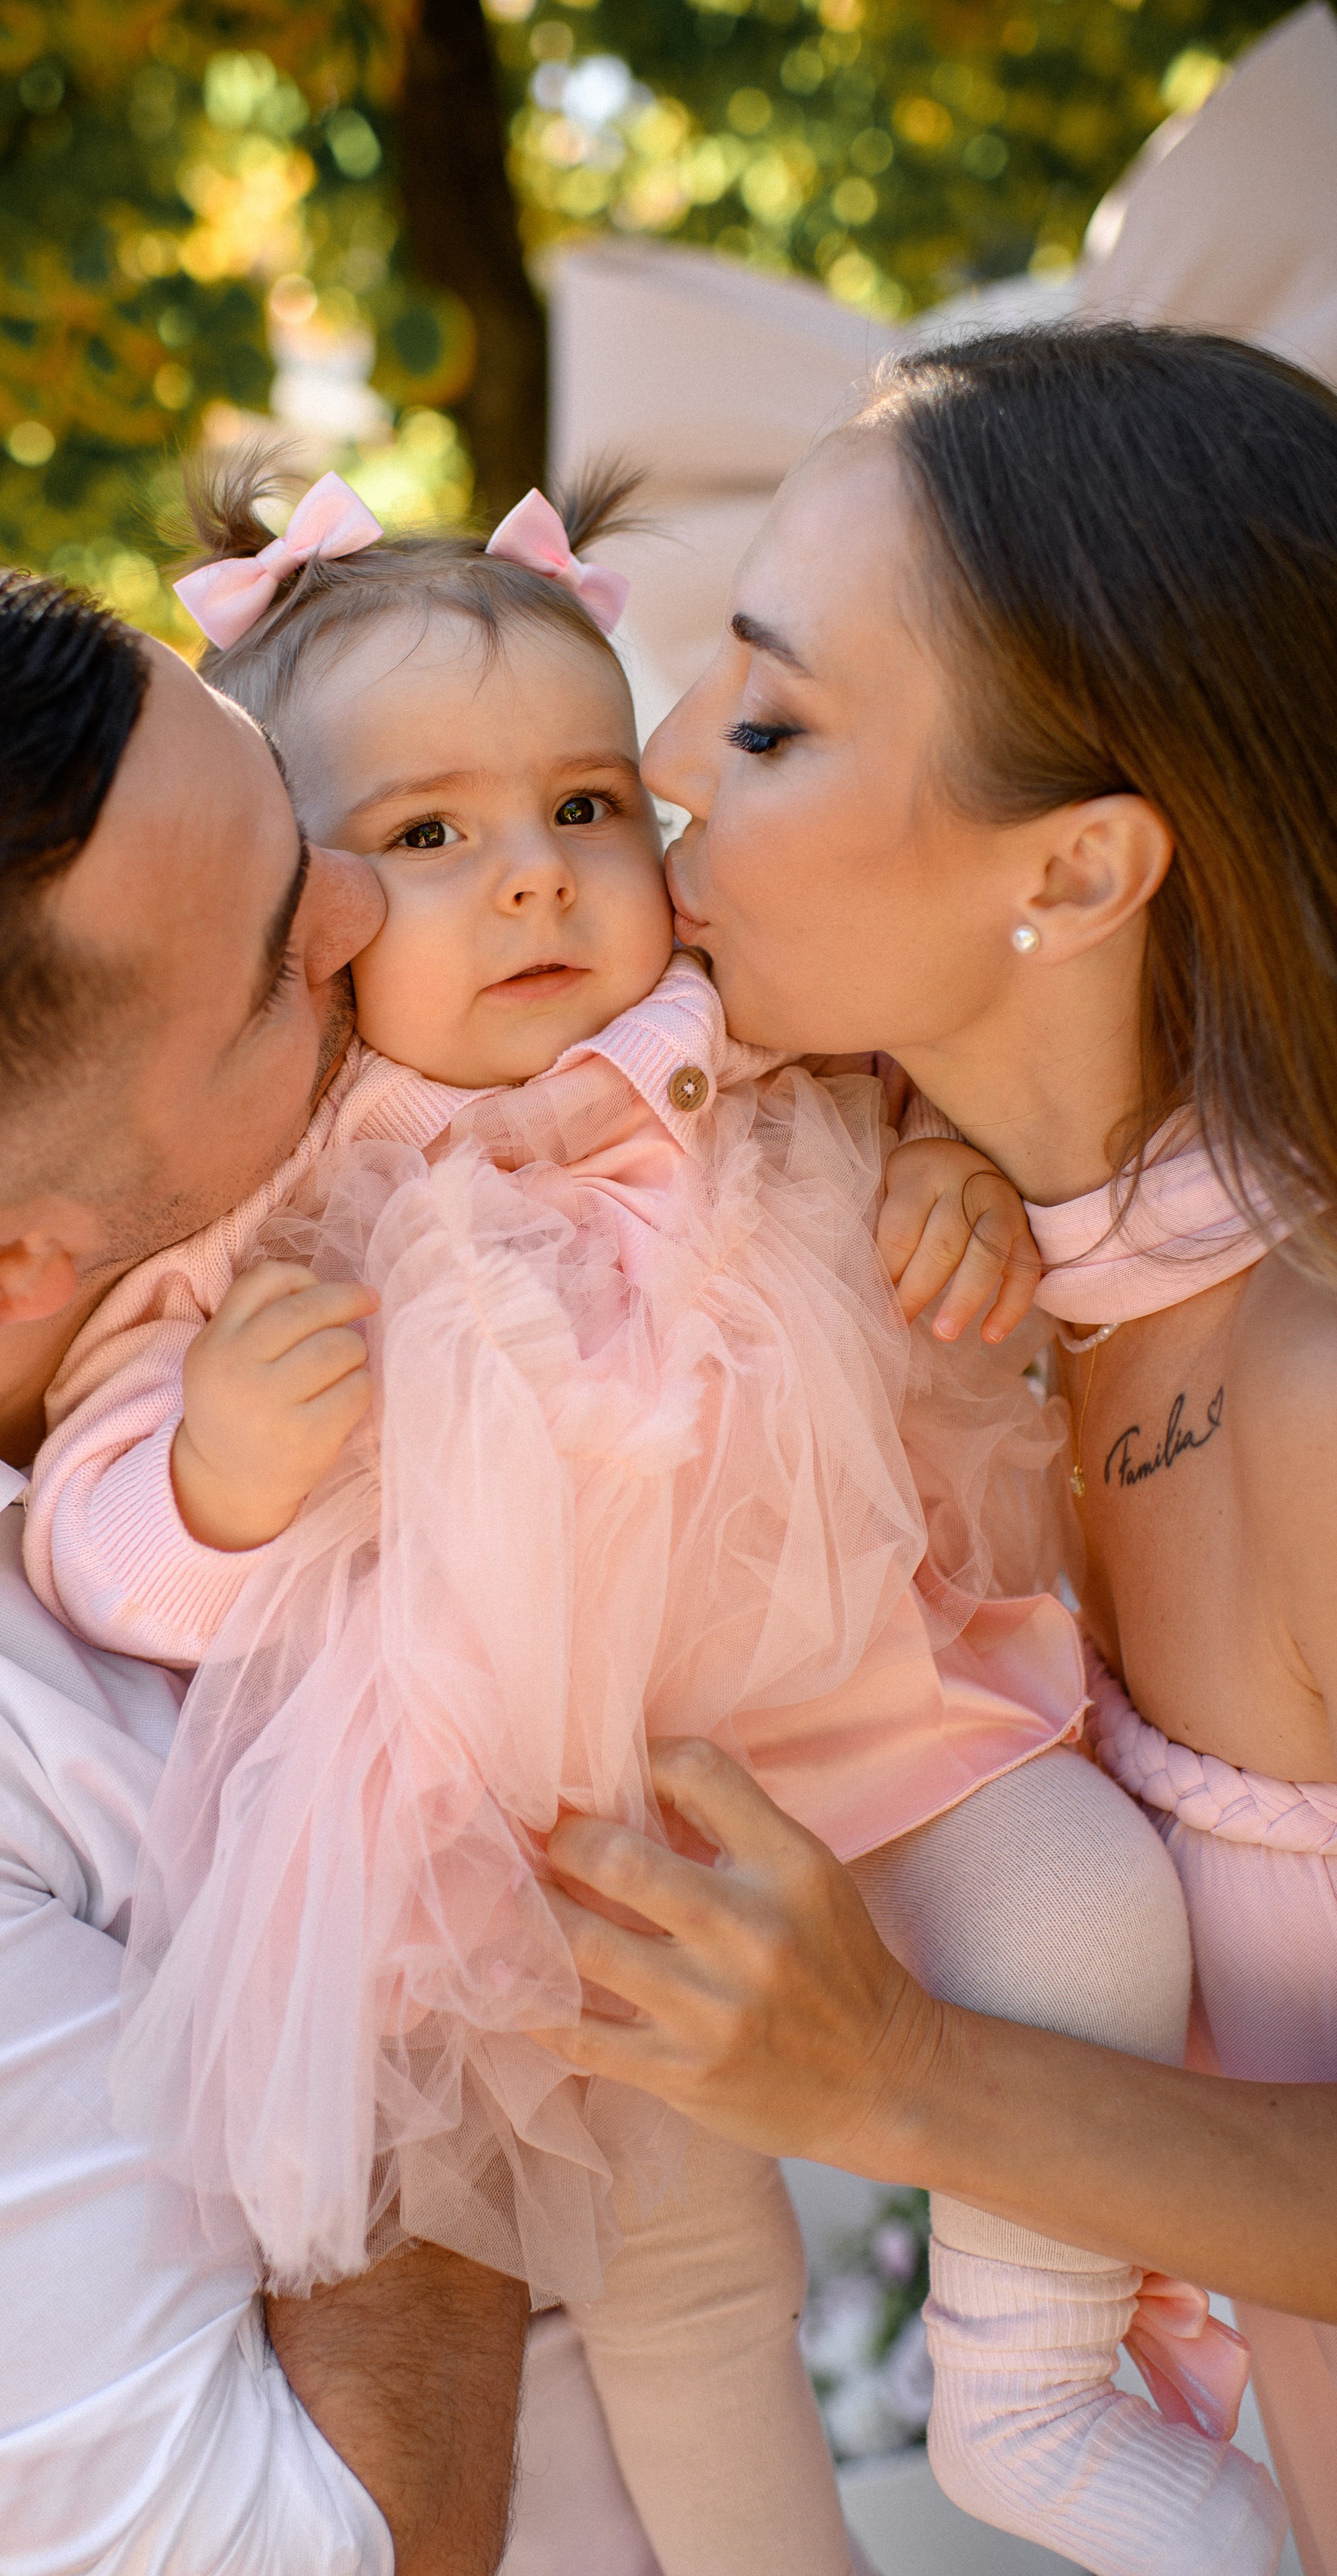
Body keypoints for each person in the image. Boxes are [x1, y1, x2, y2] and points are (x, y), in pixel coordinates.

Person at [19, 455, 1250, 2576]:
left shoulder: (745, 1028)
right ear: (297, 910)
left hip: (864, 1691)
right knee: (687, 2273)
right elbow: (97, 1543)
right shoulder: (274, 1186)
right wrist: (218, 1478)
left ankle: (1027, 2381)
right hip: (554, 1828)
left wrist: (949, 1171)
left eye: (588, 805)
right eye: (429, 836)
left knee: (1095, 1913)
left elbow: (920, 1083)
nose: (536, 880)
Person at [0, 548, 607, 2576]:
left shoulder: (337, 1164)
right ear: (1, 1274)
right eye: (278, 952)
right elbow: (319, 2548)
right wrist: (413, 1812)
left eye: (283, 795)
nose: (364, 895)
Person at [533, 321, 1337, 2576]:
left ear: (1079, 874)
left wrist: (893, 2076)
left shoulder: (1310, 1381)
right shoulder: (930, 1290)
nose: (669, 755)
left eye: (775, 722)